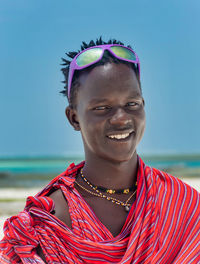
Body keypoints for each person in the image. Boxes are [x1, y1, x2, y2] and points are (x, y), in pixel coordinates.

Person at [0, 37, 200, 263]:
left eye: (132, 104)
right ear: (74, 118)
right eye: (102, 108)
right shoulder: (48, 225)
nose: (121, 118)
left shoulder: (183, 205)